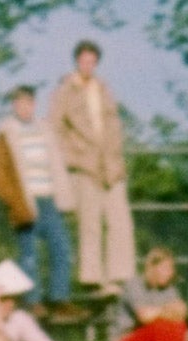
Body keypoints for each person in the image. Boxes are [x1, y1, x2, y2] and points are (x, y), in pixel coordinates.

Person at [51, 41, 136, 292]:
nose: (88, 65)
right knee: (90, 223)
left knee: (119, 220)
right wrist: (72, 157)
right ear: (77, 61)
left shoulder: (103, 89)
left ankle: (119, 276)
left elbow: (115, 125)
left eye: (92, 61)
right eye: (83, 61)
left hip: (111, 164)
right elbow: (55, 128)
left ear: (96, 63)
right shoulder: (65, 89)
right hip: (84, 164)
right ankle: (92, 279)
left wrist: (117, 158)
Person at [0, 84, 76, 309]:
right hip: (26, 202)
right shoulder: (6, 133)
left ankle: (60, 297)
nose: (24, 108)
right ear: (14, 106)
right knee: (29, 255)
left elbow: (59, 161)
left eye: (28, 103)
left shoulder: (45, 129)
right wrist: (12, 200)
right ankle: (33, 300)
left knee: (62, 248)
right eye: (19, 104)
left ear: (34, 104)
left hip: (49, 198)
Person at [111, 248, 188, 341]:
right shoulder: (134, 285)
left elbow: (182, 313)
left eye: (172, 268)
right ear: (152, 267)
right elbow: (145, 317)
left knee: (178, 326)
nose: (171, 273)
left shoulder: (169, 289)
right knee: (160, 326)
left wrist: (159, 312)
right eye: (166, 268)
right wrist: (166, 310)